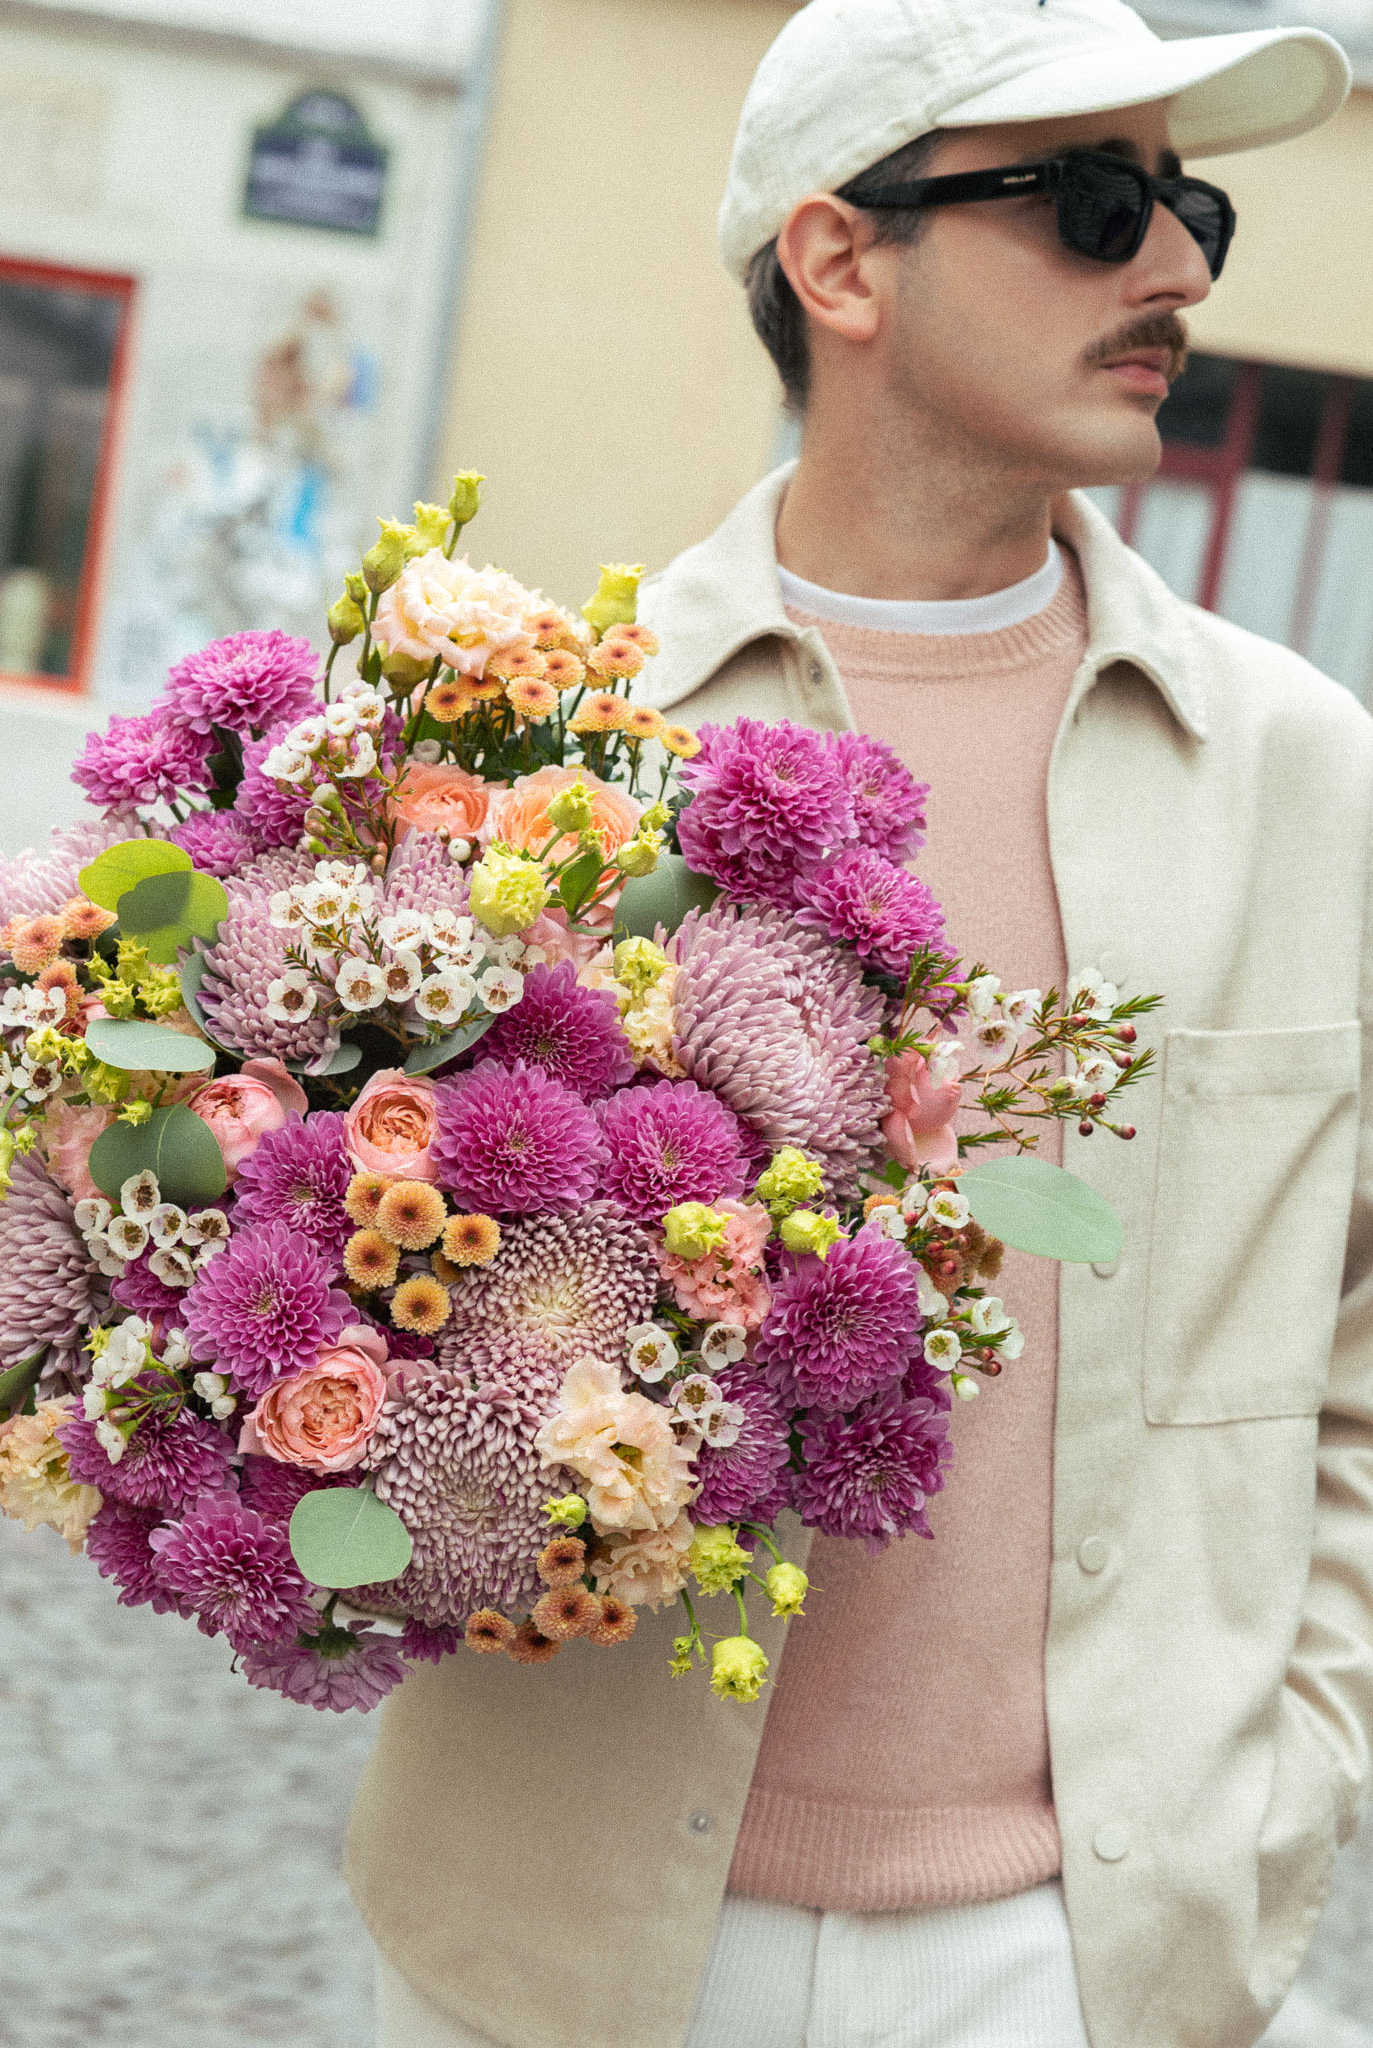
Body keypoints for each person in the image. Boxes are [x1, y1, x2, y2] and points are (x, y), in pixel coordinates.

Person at [346, 4, 1373, 2043]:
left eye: (1189, 207)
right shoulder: (552, 744)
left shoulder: (1305, 777)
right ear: (839, 261)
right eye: (1094, 206)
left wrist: (1288, 1770)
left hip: (1082, 1955)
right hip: (563, 1928)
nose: (1175, 269)